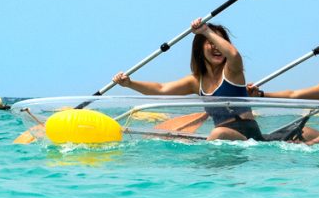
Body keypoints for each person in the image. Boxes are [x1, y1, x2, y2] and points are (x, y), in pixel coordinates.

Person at [112, 19, 264, 141]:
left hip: (248, 136)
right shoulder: (196, 82)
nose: (217, 47)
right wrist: (129, 84)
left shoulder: (232, 71)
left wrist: (206, 31)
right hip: (223, 139)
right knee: (180, 139)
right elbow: (161, 89)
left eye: (219, 42)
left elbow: (234, 55)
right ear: (200, 48)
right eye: (211, 43)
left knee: (218, 133)